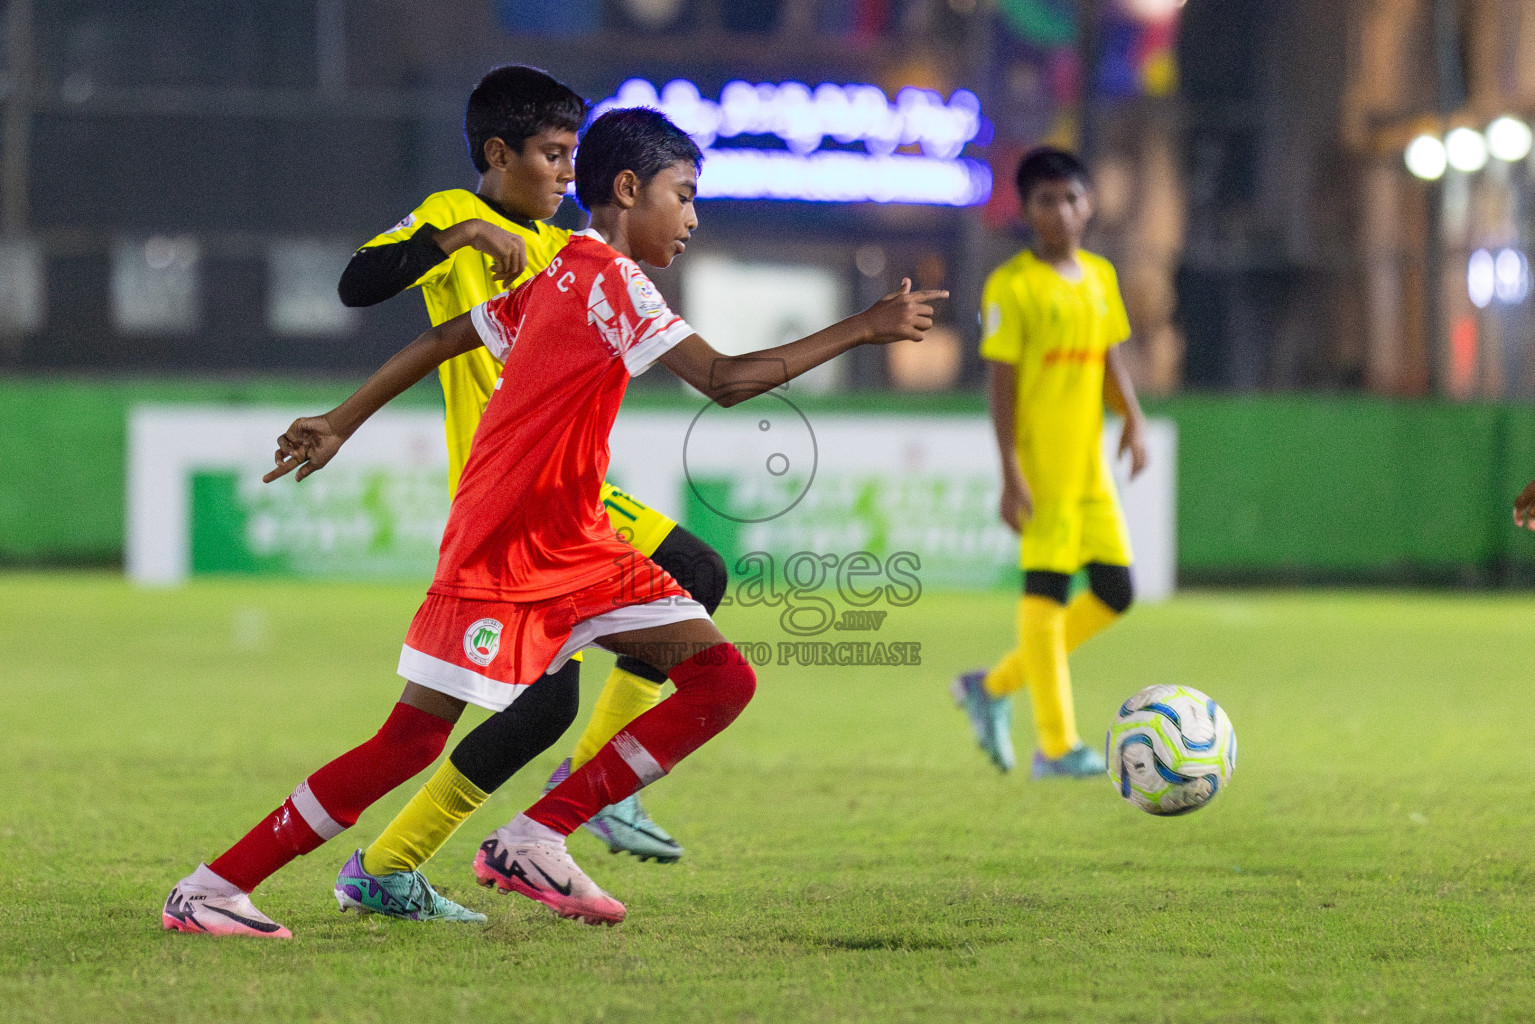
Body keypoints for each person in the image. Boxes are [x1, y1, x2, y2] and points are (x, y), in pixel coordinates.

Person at [166, 106, 945, 935]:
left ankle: (534, 835)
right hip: (506, 548)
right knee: (409, 741)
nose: (692, 216)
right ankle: (213, 887)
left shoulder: (565, 269)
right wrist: (864, 327)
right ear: (627, 188)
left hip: (577, 546)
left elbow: (451, 337)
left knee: (720, 679)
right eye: (683, 195)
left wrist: (342, 419)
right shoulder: (607, 279)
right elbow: (722, 380)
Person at [339, 64, 722, 869]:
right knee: (541, 702)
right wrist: (460, 238)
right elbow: (359, 285)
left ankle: (590, 789)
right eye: (552, 153)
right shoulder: (455, 215)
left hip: (568, 493)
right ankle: (401, 860)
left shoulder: (573, 249)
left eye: (572, 153)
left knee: (694, 571)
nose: (564, 170)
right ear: (497, 152)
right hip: (509, 497)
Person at [952, 147, 1149, 780]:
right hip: (1041, 467)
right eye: (1046, 201)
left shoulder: (1099, 276)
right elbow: (1001, 386)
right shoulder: (1011, 286)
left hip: (1088, 468)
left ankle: (993, 685)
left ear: (1089, 203)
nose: (1061, 212)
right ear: (1028, 211)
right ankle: (1057, 746)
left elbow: (1110, 358)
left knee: (1116, 593)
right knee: (1048, 595)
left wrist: (1135, 421)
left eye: (1071, 198)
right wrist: (1011, 471)